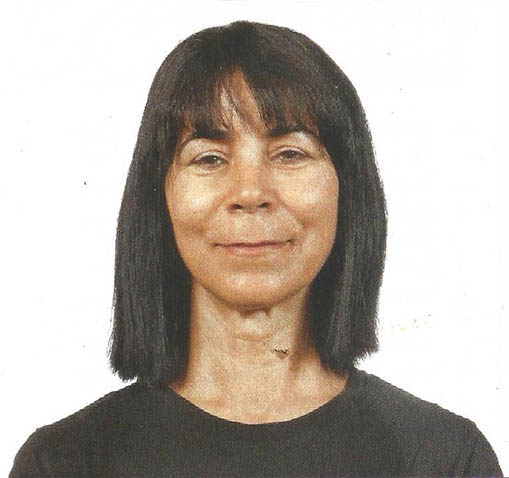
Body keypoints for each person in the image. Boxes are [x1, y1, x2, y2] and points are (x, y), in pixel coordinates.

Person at [10, 20, 502, 477]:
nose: (250, 192)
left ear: (347, 189)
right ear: (159, 196)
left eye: (290, 153)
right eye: (208, 158)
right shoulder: (65, 463)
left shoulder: (443, 460)